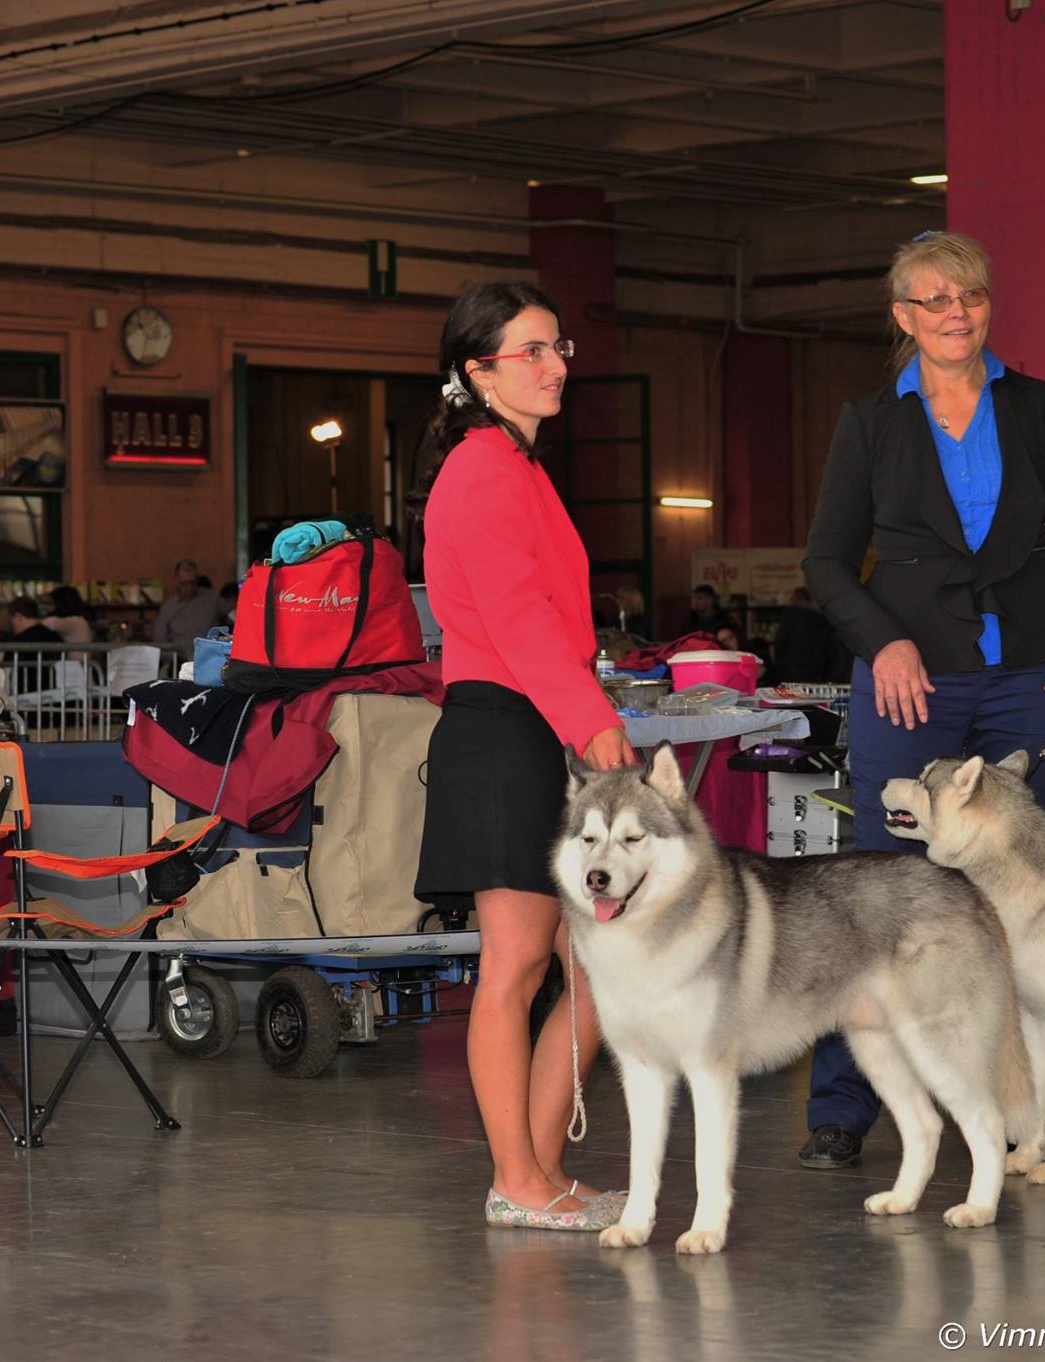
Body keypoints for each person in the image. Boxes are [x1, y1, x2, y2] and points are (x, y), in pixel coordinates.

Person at [800, 230, 1045, 1170]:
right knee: (875, 896)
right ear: (904, 318)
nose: (955, 313)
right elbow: (825, 560)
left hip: (1031, 679)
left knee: (1031, 897)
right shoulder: (868, 422)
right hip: (910, 684)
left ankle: (1027, 1110)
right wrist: (882, 641)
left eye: (969, 296)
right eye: (933, 300)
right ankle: (842, 1108)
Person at [413, 281, 637, 1232]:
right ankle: (517, 1176)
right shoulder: (484, 470)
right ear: (479, 370)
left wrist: (579, 722)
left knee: (584, 970)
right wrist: (591, 720)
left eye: (558, 348)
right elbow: (516, 620)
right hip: (504, 730)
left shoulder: (519, 467)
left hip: (534, 729)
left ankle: (537, 1169)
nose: (554, 368)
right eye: (531, 352)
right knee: (511, 967)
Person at [769, 586, 847, 683]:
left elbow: (780, 642)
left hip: (790, 670)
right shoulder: (823, 620)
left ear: (797, 599)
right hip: (816, 672)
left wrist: (779, 664)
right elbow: (830, 649)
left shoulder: (790, 615)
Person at [153, 558, 225, 646]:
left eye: (193, 582)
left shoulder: (213, 599)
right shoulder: (167, 608)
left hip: (210, 654)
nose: (190, 587)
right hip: (180, 657)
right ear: (177, 583)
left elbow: (234, 617)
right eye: (185, 583)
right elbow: (161, 642)